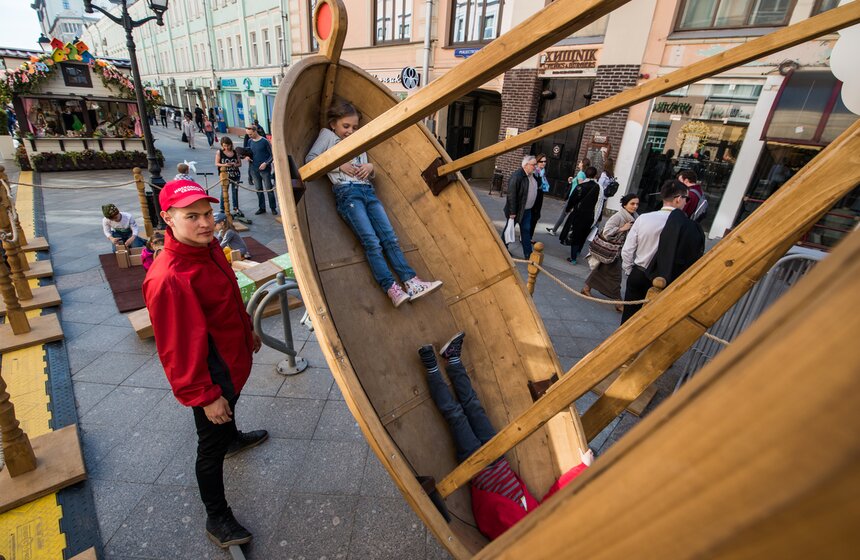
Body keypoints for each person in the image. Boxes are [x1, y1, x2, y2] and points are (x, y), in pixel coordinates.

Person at [143, 179, 267, 549]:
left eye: (207, 213)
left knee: (228, 417)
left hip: (231, 358)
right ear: (168, 218)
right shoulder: (168, 277)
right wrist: (206, 396)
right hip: (211, 375)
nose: (205, 223)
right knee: (208, 448)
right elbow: (177, 350)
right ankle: (217, 517)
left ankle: (232, 437)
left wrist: (247, 330)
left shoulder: (209, 247)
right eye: (191, 216)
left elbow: (227, 298)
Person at [417, 332, 591, 540]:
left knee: (456, 416)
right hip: (498, 458)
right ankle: (453, 359)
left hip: (477, 468)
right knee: (474, 407)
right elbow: (555, 498)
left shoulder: (514, 539)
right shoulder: (540, 522)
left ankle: (432, 369)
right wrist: (582, 468)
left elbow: (486, 519)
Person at [306, 100, 443, 308]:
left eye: (354, 127)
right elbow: (310, 160)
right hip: (348, 194)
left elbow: (369, 170)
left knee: (390, 238)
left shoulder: (358, 141)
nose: (351, 131)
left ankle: (411, 282)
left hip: (368, 191)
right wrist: (337, 163)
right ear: (334, 123)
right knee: (372, 242)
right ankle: (391, 288)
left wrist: (370, 167)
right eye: (346, 126)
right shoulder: (328, 136)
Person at [620, 180, 704, 324]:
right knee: (651, 322)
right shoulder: (684, 225)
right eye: (686, 198)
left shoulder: (643, 218)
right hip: (664, 278)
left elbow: (627, 250)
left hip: (639, 272)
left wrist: (630, 270)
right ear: (678, 199)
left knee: (628, 319)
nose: (686, 203)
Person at [582, 194, 639, 312]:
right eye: (632, 203)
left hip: (617, 252)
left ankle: (586, 287)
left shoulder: (635, 217)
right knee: (616, 277)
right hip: (612, 250)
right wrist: (622, 228)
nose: (635, 206)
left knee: (601, 270)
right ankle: (618, 302)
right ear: (625, 204)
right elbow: (607, 232)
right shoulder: (618, 216)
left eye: (637, 204)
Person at [559, 166, 600, 264]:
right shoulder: (598, 187)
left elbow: (572, 199)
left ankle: (573, 258)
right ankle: (578, 252)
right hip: (590, 215)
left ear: (585, 174)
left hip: (578, 213)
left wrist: (568, 209)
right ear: (595, 175)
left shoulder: (580, 186)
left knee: (576, 235)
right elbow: (600, 203)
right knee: (583, 234)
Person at [504, 155, 541, 259]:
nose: (535, 167)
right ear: (525, 165)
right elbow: (511, 195)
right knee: (508, 229)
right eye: (533, 164)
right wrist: (512, 212)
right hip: (516, 210)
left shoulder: (532, 176)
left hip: (527, 210)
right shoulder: (517, 176)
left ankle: (528, 255)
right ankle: (502, 249)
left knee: (526, 231)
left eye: (535, 164)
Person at [547, 158, 589, 235]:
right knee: (569, 215)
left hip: (573, 198)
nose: (579, 163)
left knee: (564, 214)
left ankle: (554, 230)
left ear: (583, 164)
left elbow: (581, 186)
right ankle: (558, 230)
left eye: (580, 162)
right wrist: (571, 180)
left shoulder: (580, 174)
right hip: (574, 198)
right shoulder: (583, 174)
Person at [243, 125, 277, 215]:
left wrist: (266, 163)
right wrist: (246, 157)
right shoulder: (250, 141)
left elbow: (272, 155)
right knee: (258, 189)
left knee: (268, 188)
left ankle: (273, 207)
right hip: (254, 169)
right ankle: (262, 207)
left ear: (255, 131)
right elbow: (247, 152)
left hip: (265, 169)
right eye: (248, 134)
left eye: (250, 134)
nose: (249, 136)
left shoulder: (264, 141)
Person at [216, 137, 243, 215]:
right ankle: (222, 208)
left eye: (228, 146)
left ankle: (235, 207)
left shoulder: (235, 152)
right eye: (224, 146)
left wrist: (235, 164)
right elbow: (217, 163)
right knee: (223, 192)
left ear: (231, 145)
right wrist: (225, 164)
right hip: (225, 175)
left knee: (235, 191)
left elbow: (239, 164)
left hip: (235, 174)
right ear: (222, 145)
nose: (226, 148)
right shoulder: (219, 152)